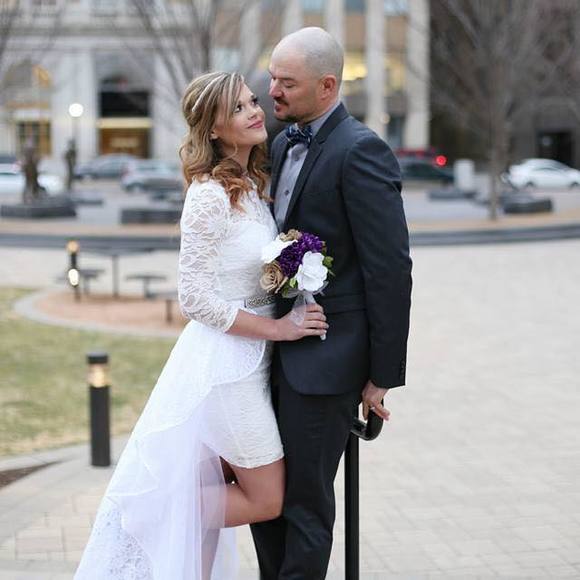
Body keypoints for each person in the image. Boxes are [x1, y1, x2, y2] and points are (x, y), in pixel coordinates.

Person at [73, 71, 328, 580]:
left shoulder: (250, 187)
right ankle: (154, 509)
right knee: (267, 498)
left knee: (220, 490)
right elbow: (193, 298)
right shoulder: (209, 195)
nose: (254, 112)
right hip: (226, 372)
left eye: (252, 101)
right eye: (238, 109)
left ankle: (175, 526)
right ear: (212, 128)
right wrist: (280, 329)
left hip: (252, 364)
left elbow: (245, 273)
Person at [250, 27, 412, 579]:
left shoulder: (361, 150)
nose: (273, 91)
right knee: (265, 498)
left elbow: (390, 269)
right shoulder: (279, 142)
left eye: (286, 83)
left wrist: (381, 376)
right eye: (272, 78)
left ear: (326, 85)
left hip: (328, 362)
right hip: (271, 353)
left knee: (305, 505)